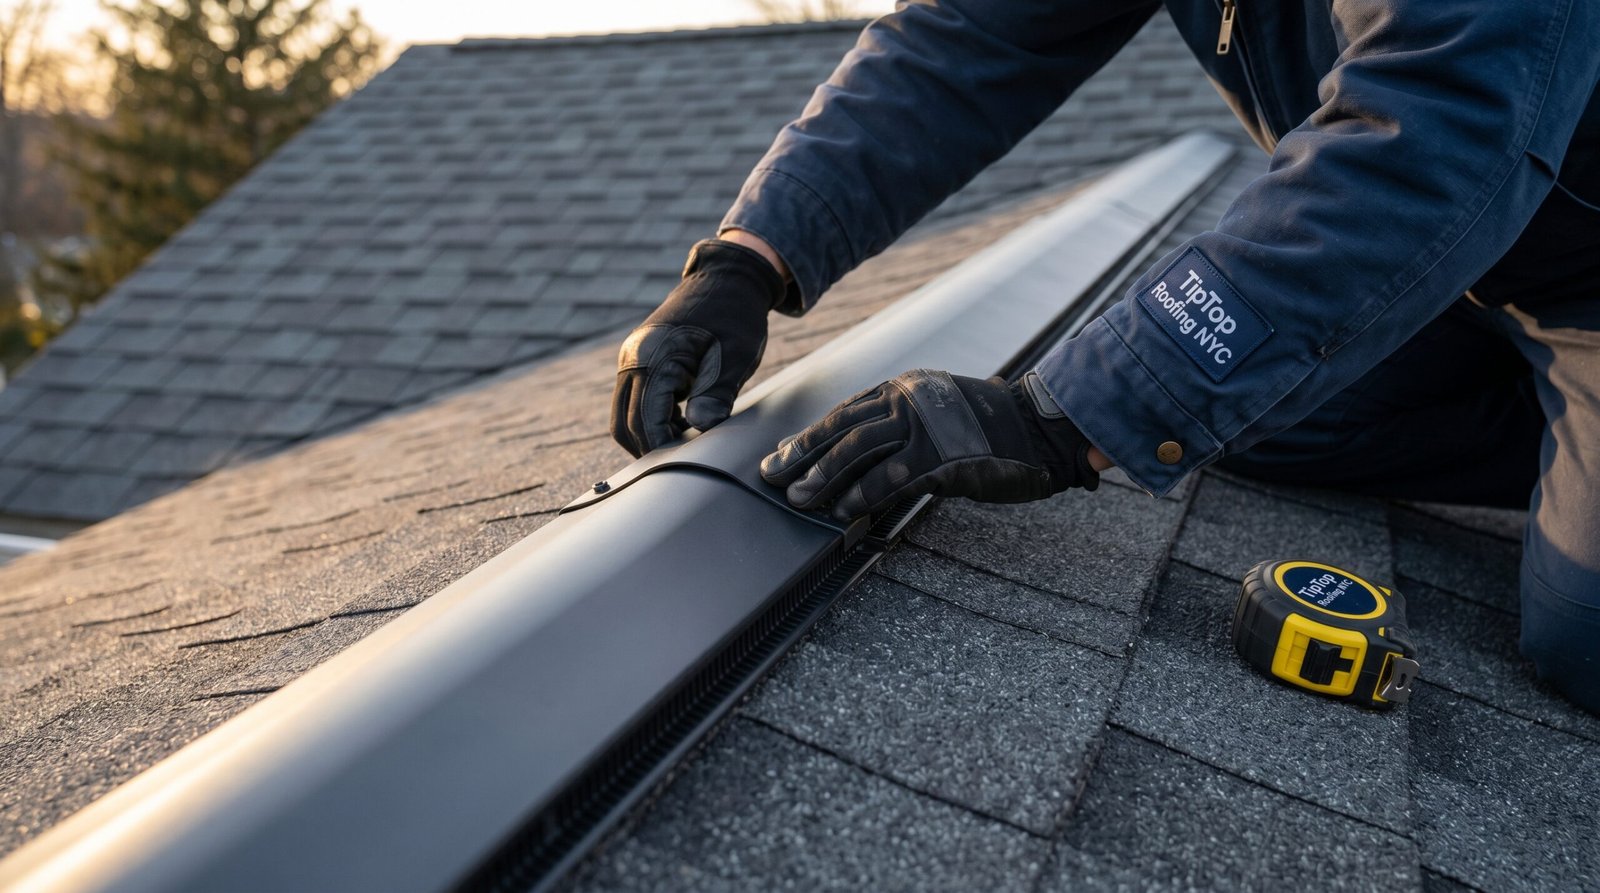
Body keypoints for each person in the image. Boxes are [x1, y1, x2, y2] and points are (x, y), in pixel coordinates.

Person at [610, 0, 1600, 712]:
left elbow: (1427, 129)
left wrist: (1062, 418)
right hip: (1474, 257)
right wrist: (748, 257)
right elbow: (969, 35)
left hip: (1563, 267)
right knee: (1245, 410)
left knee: (1582, 637)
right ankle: (1557, 438)